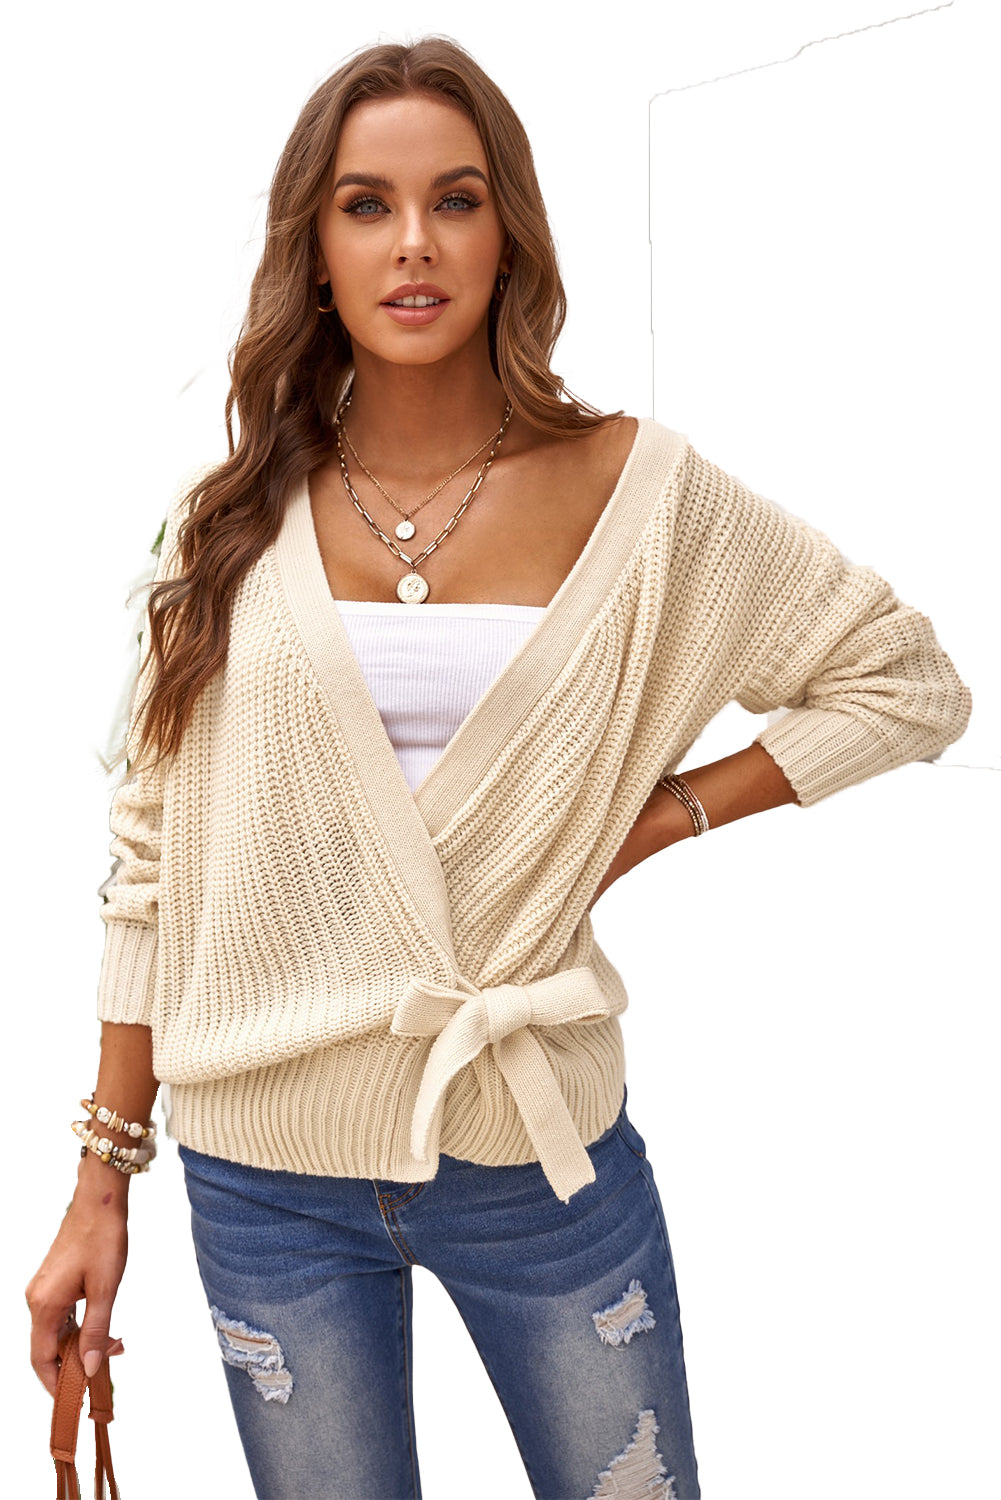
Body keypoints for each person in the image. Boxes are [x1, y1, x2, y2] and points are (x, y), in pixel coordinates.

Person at [26, 35, 971, 1500]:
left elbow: (904, 680)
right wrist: (101, 1183)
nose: (414, 242)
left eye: (455, 200)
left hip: (538, 1160)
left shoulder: (644, 496)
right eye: (366, 205)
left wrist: (662, 817)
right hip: (265, 1176)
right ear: (315, 252)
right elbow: (148, 867)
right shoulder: (223, 523)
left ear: (508, 234)